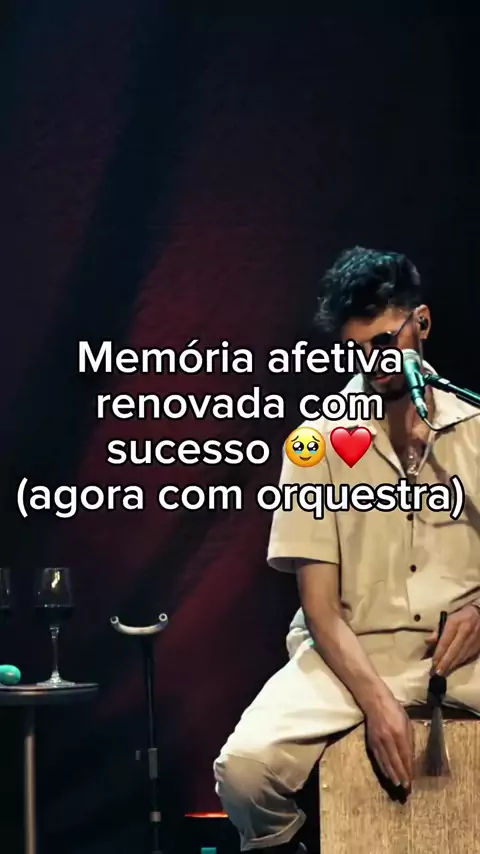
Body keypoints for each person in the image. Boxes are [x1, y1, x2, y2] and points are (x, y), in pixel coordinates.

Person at [213, 246, 480, 853]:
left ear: (422, 322)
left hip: (459, 659)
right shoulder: (316, 443)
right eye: (357, 349)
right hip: (349, 654)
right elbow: (320, 608)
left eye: (386, 341)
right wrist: (377, 702)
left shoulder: (474, 428)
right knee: (245, 771)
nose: (373, 362)